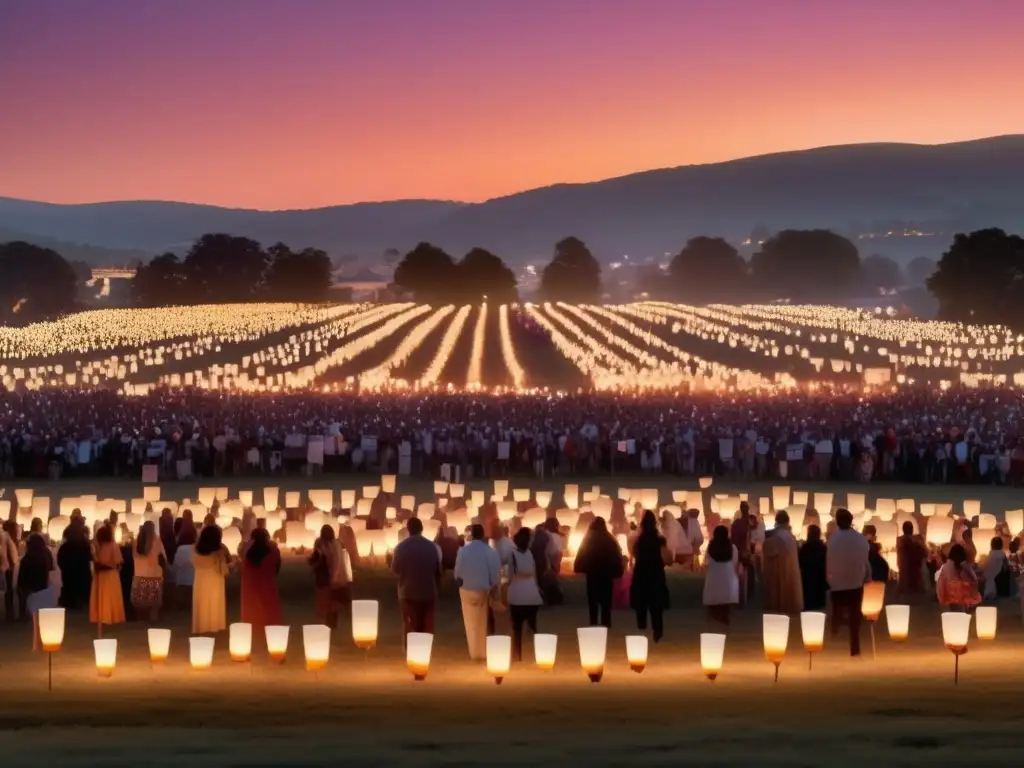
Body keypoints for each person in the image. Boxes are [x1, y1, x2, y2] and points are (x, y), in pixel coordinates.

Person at [826, 508, 870, 657]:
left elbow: (829, 562)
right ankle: (855, 645)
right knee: (854, 615)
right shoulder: (860, 539)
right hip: (855, 582)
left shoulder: (833, 539)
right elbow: (864, 560)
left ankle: (834, 637)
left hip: (837, 583)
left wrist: (830, 579)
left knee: (836, 612)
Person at [454, 523, 500, 662]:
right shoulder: (490, 551)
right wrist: (493, 586)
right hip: (483, 589)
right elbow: (494, 573)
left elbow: (457, 573)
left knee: (470, 621)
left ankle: (474, 652)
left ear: (471, 535)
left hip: (466, 588)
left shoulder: (463, 551)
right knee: (482, 620)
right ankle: (483, 652)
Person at [392, 517, 441, 636]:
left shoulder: (400, 548)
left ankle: (411, 650)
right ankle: (425, 651)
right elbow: (437, 570)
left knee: (410, 625)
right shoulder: (431, 547)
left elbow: (395, 569)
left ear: (408, 529)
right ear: (422, 529)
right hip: (428, 591)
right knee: (427, 627)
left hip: (408, 592)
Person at [573, 517, 624, 629]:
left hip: (593, 574)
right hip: (606, 575)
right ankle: (606, 623)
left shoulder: (589, 539)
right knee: (606, 601)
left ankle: (593, 622)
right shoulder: (610, 539)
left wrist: (578, 567)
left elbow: (581, 555)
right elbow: (617, 556)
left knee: (593, 601)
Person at [630, 510, 670, 642]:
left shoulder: (638, 541)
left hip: (641, 574)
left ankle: (641, 632)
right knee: (656, 606)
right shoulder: (660, 540)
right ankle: (657, 633)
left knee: (641, 606)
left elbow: (634, 555)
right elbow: (668, 559)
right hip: (655, 574)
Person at [506, 527, 544, 661]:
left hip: (517, 592)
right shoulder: (529, 554)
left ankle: (517, 654)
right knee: (533, 626)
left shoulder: (513, 555)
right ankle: (537, 653)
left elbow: (510, 574)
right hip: (531, 592)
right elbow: (534, 573)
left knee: (517, 628)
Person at [18, 532, 58, 650]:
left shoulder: (26, 559)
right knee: (44, 621)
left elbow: (22, 579)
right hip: (45, 592)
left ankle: (35, 645)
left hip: (33, 594)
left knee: (36, 623)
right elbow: (51, 571)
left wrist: (23, 592)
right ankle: (45, 642)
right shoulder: (46, 555)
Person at [240, 528, 282, 633]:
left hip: (251, 584)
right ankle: (271, 624)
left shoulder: (248, 549)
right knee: (269, 605)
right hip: (268, 582)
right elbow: (277, 565)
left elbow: (243, 566)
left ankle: (254, 624)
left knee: (254, 606)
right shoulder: (273, 549)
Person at [309, 524, 350, 630]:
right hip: (331, 578)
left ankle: (331, 624)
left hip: (332, 578)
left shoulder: (333, 545)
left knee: (332, 603)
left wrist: (333, 578)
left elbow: (335, 562)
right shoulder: (329, 544)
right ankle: (330, 624)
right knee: (330, 603)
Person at [761, 511, 802, 613]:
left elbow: (770, 550)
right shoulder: (790, 535)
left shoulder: (778, 534)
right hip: (789, 566)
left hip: (779, 567)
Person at [192, 524, 230, 634]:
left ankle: (200, 627)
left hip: (200, 581)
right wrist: (231, 565)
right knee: (213, 605)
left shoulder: (195, 550)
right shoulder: (218, 553)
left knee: (201, 605)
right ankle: (213, 626)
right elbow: (224, 570)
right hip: (215, 582)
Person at [90, 523, 126, 632]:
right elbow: (118, 562)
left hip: (100, 575)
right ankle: (110, 618)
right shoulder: (113, 545)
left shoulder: (96, 546)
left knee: (101, 598)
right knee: (110, 599)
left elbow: (95, 559)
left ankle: (101, 618)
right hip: (111, 576)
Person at [703, 524, 739, 626]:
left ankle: (714, 614)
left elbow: (706, 562)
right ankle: (724, 615)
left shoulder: (710, 546)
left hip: (713, 578)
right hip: (728, 579)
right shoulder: (732, 547)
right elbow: (735, 562)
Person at [131, 521, 166, 623]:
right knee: (154, 603)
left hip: (139, 575)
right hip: (153, 575)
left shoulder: (136, 542)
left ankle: (140, 620)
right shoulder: (157, 541)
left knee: (140, 602)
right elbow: (162, 556)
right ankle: (153, 619)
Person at [937, 544, 981, 610]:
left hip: (951, 599)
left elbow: (940, 586)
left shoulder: (946, 568)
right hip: (964, 600)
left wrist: (942, 599)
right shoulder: (965, 567)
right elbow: (974, 582)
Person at [799, 524, 828, 611]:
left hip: (807, 575)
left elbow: (800, 561)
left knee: (809, 598)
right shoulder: (823, 547)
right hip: (821, 575)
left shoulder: (805, 547)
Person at [896, 521, 928, 599]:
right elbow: (925, 552)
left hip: (910, 565)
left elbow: (924, 552)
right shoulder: (916, 539)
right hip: (911, 565)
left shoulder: (901, 539)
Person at [172, 520, 197, 610]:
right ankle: (190, 605)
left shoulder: (180, 548)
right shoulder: (195, 548)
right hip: (192, 576)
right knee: (190, 592)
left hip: (181, 575)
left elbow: (176, 561)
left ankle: (180, 605)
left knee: (182, 591)